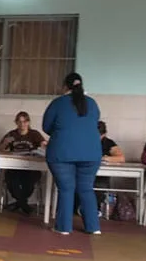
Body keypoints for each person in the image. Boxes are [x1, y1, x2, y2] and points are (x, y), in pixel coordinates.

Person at [42, 72, 102, 235]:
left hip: (62, 152)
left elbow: (46, 127)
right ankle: (93, 227)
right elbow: (94, 123)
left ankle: (63, 227)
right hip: (91, 153)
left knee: (66, 189)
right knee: (86, 189)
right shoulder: (92, 103)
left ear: (65, 86)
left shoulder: (58, 103)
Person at [0, 111, 47, 213]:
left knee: (29, 181)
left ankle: (19, 203)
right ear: (16, 122)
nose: (22, 124)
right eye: (19, 122)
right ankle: (23, 204)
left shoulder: (34, 134)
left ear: (28, 122)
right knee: (10, 179)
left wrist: (44, 144)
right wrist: (5, 143)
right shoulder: (12, 134)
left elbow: (43, 145)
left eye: (24, 121)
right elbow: (0, 149)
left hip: (31, 166)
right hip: (15, 166)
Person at [75, 120, 126, 215]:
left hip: (100, 175)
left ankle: (94, 208)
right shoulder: (82, 140)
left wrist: (104, 158)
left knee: (99, 185)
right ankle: (81, 207)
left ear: (103, 135)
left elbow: (121, 158)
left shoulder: (108, 143)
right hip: (82, 172)